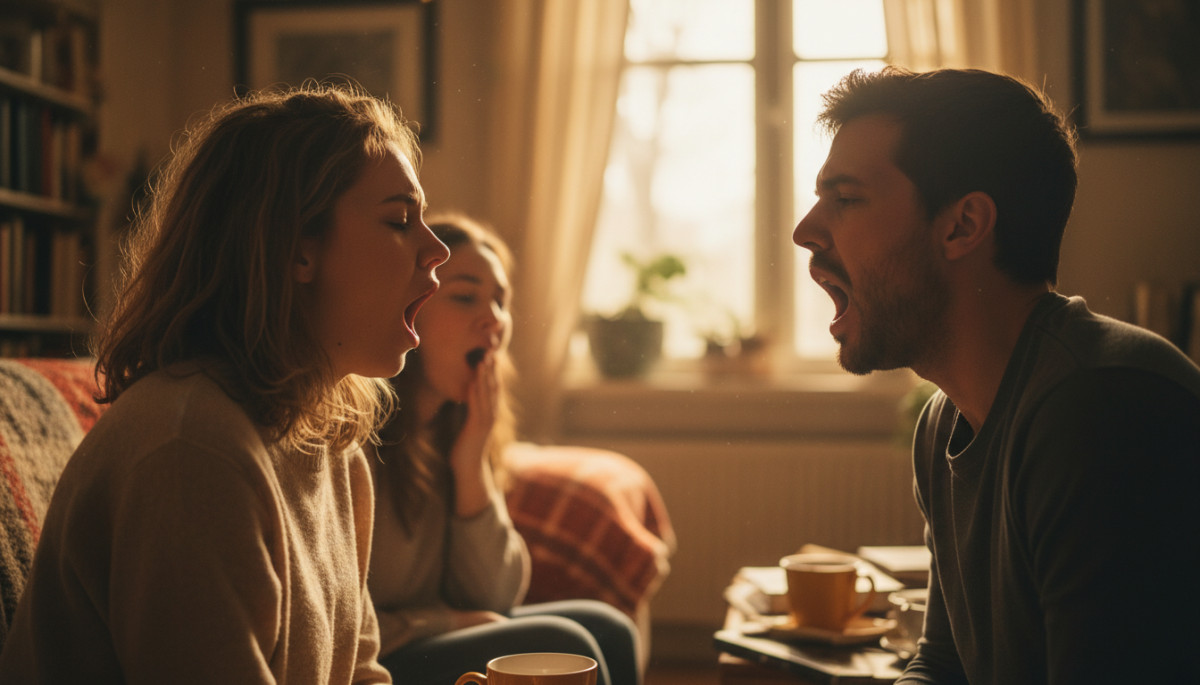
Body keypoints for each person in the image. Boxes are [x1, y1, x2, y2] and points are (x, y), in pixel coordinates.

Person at [0, 83, 451, 683]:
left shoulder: (334, 452)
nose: (438, 250)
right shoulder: (191, 449)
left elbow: (362, 674)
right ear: (297, 249)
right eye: (399, 220)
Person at [792, 66, 1200, 684]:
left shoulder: (1102, 410)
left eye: (845, 199)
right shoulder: (945, 421)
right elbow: (945, 663)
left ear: (962, 226)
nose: (805, 231)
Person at [367, 213, 641, 685]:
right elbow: (335, 627)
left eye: (501, 301)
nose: (494, 319)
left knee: (609, 628)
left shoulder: (452, 434)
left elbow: (494, 596)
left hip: (423, 639)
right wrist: (445, 623)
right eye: (465, 297)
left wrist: (471, 463)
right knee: (567, 644)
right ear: (408, 308)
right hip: (375, 659)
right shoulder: (357, 444)